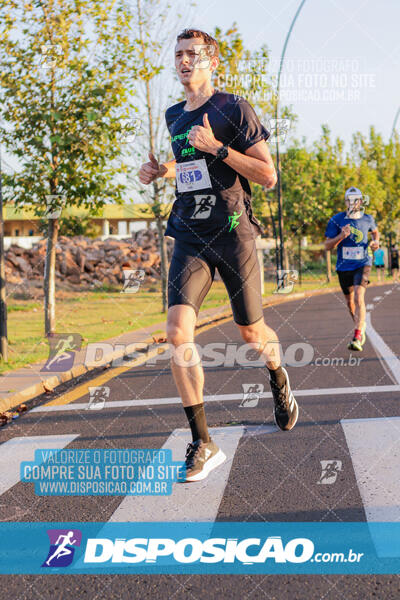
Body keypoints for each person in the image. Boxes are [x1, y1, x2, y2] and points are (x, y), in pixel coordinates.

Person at [139, 29, 298, 482]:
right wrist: (160, 171)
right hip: (190, 235)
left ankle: (278, 374)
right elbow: (189, 163)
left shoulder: (234, 108)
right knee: (176, 332)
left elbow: (266, 174)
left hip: (234, 235)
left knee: (250, 333)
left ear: (211, 61)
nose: (184, 61)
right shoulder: (173, 115)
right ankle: (203, 442)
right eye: (179, 55)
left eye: (193, 54)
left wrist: (220, 149)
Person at [325, 187, 380, 351]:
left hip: (363, 263)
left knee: (359, 296)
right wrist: (341, 236)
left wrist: (375, 243)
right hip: (344, 266)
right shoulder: (336, 220)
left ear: (361, 201)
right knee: (350, 303)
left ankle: (357, 335)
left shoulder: (368, 219)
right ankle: (359, 326)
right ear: (345, 201)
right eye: (350, 200)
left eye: (356, 200)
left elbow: (375, 233)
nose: (353, 203)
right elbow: (327, 246)